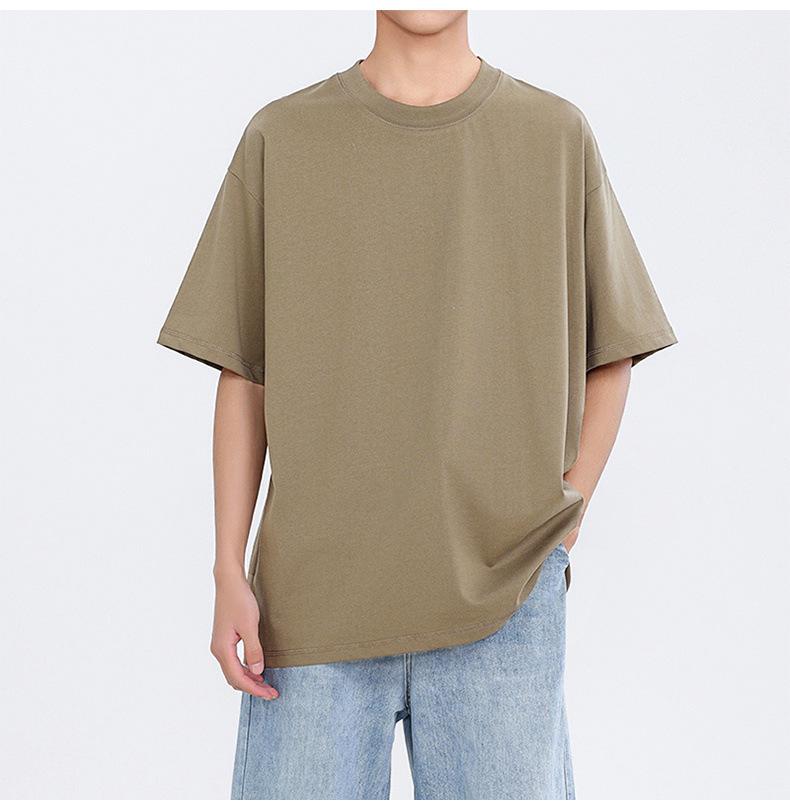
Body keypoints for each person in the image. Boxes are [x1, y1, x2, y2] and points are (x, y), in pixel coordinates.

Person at [157, 9, 676, 801]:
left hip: (504, 600)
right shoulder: (283, 137)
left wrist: (570, 509)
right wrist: (229, 566)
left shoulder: (553, 135)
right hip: (311, 606)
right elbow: (246, 372)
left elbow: (613, 350)